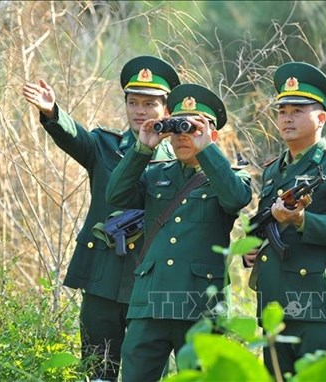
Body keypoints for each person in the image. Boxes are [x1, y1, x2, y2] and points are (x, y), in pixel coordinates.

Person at [22, 56, 181, 381]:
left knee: (146, 374)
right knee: (97, 370)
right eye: (133, 102)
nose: (139, 110)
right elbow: (73, 136)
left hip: (151, 286)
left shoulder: (180, 159)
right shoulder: (104, 146)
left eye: (149, 103)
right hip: (103, 279)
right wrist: (52, 112)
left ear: (166, 110)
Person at [105, 83, 252, 381]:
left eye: (194, 127)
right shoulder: (156, 173)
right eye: (178, 128)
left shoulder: (230, 177)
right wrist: (142, 148)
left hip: (199, 307)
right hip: (150, 303)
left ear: (212, 135)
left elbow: (236, 199)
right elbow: (116, 195)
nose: (183, 135)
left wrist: (207, 150)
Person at [243, 62, 326, 377]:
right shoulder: (273, 170)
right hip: (273, 304)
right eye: (282, 110)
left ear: (321, 118)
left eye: (298, 110)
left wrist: (302, 221)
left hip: (315, 306)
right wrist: (254, 248)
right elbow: (265, 225)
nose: (287, 117)